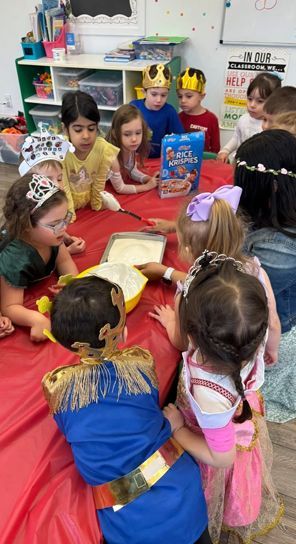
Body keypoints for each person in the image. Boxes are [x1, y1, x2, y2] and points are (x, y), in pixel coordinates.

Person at [42, 275, 212, 544]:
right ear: (121, 331)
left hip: (129, 522)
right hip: (182, 496)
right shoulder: (140, 366)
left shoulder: (58, 388)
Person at [164, 253, 283, 544]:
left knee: (222, 491)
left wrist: (178, 429)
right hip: (236, 416)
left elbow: (222, 457)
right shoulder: (245, 332)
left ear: (193, 332)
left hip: (215, 441)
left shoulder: (209, 394)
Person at [138, 186, 280, 366]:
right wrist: (272, 349)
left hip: (210, 371)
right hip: (247, 358)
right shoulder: (257, 271)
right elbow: (273, 322)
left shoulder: (188, 293)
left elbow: (182, 343)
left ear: (188, 250)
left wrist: (170, 321)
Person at [234, 129, 296, 422]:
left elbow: (244, 287)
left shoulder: (280, 248)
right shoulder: (275, 211)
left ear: (268, 188)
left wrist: (172, 272)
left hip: (278, 325)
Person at [0, 174, 78, 342]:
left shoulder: (52, 237)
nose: (64, 227)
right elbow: (9, 306)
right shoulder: (14, 258)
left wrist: (70, 282)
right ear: (27, 224)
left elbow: (65, 261)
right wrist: (35, 319)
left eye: (66, 218)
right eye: (55, 224)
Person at [62, 91, 152, 222]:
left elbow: (99, 183)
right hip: (66, 206)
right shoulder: (60, 152)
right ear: (65, 129)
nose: (86, 136)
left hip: (87, 202)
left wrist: (96, 204)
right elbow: (63, 189)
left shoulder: (103, 149)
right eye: (78, 130)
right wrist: (70, 217)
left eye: (91, 129)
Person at [18, 126, 86, 254]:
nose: (58, 186)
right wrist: (68, 251)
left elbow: (54, 225)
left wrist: (66, 238)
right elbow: (39, 250)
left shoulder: (53, 199)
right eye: (48, 180)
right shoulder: (30, 211)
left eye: (60, 178)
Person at [217, 72, 281, 163]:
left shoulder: (271, 126)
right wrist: (225, 150)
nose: (252, 105)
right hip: (238, 163)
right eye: (250, 99)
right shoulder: (243, 119)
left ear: (274, 102)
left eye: (260, 101)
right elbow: (237, 137)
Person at [130, 64, 183, 158]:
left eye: (163, 95)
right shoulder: (133, 107)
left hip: (160, 160)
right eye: (154, 94)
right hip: (136, 158)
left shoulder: (169, 112)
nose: (159, 100)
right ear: (144, 92)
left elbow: (180, 139)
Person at [106, 104, 159, 193]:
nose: (134, 139)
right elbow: (120, 188)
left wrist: (148, 179)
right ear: (115, 134)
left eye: (138, 133)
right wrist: (147, 186)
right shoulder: (112, 157)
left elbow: (131, 171)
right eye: (127, 134)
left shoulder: (129, 148)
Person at [177, 67, 220, 153]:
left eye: (189, 96)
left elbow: (216, 148)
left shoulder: (211, 119)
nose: (183, 100)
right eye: (180, 96)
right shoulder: (178, 118)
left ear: (201, 96)